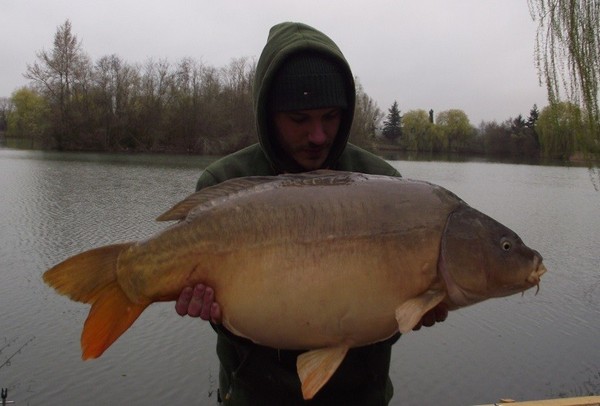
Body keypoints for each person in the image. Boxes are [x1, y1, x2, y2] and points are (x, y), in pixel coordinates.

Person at [175, 21, 448, 405]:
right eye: (300, 120)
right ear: (268, 114)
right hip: (254, 395)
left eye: (331, 117)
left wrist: (417, 309)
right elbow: (232, 321)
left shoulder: (385, 186)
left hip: (360, 396)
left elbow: (387, 317)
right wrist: (216, 315)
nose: (319, 135)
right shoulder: (226, 181)